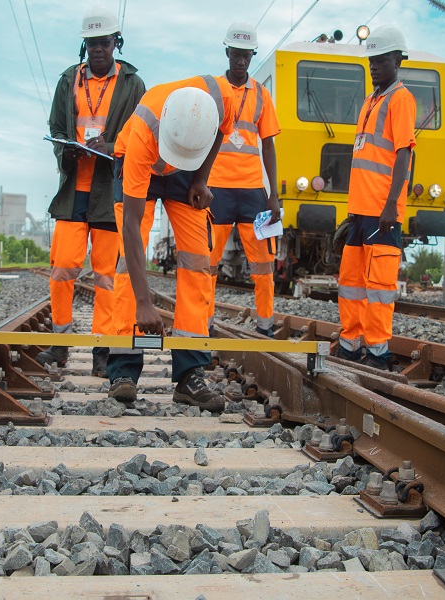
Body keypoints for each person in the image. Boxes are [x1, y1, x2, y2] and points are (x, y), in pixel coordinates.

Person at [107, 77, 237, 412]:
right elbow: (133, 228)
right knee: (127, 259)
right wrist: (144, 303)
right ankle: (123, 368)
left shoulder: (222, 99)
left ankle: (190, 374)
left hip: (189, 168)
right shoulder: (143, 135)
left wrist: (200, 178)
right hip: (144, 162)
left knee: (197, 260)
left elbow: (222, 131)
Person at [38, 5, 145, 376]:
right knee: (63, 268)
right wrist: (64, 149)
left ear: (116, 42)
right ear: (85, 46)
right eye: (91, 43)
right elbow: (55, 124)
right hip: (73, 190)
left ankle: (102, 349)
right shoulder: (69, 79)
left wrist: (112, 145)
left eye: (104, 41)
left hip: (109, 191)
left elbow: (142, 135)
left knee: (104, 275)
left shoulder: (132, 84)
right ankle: (61, 342)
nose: (98, 48)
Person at [337, 25, 416, 370]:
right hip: (360, 210)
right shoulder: (371, 101)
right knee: (351, 284)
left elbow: (402, 156)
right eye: (371, 61)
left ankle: (379, 353)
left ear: (397, 60)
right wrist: (354, 210)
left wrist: (390, 205)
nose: (374, 66)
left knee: (379, 287)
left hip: (383, 212)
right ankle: (350, 345)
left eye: (381, 60)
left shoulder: (401, 99)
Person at [207, 21, 281, 337]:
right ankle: (203, 323)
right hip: (216, 190)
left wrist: (273, 194)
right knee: (206, 265)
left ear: (252, 55)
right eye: (236, 55)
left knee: (264, 264)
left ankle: (265, 325)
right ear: (227, 52)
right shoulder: (213, 91)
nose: (241, 61)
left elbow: (269, 145)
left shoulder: (262, 96)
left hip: (253, 192)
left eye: (246, 56)